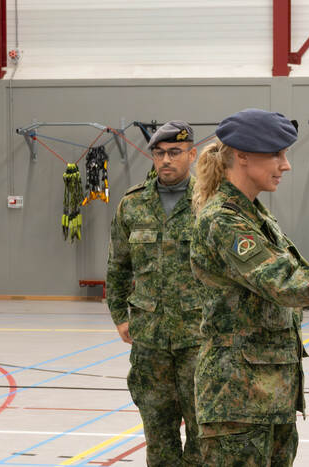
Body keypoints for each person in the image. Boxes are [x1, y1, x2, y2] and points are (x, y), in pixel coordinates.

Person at [189, 108, 309, 466]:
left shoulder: (255, 215)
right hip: (238, 402)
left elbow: (299, 276)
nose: (285, 165)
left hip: (269, 396)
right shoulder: (223, 220)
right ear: (242, 156)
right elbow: (286, 284)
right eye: (276, 154)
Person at [106, 120, 203, 465]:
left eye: (175, 152)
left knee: (202, 435)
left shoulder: (209, 203)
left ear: (192, 155)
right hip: (150, 344)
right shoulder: (132, 205)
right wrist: (120, 318)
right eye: (159, 153)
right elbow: (118, 267)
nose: (166, 160)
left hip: (199, 339)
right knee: (158, 437)